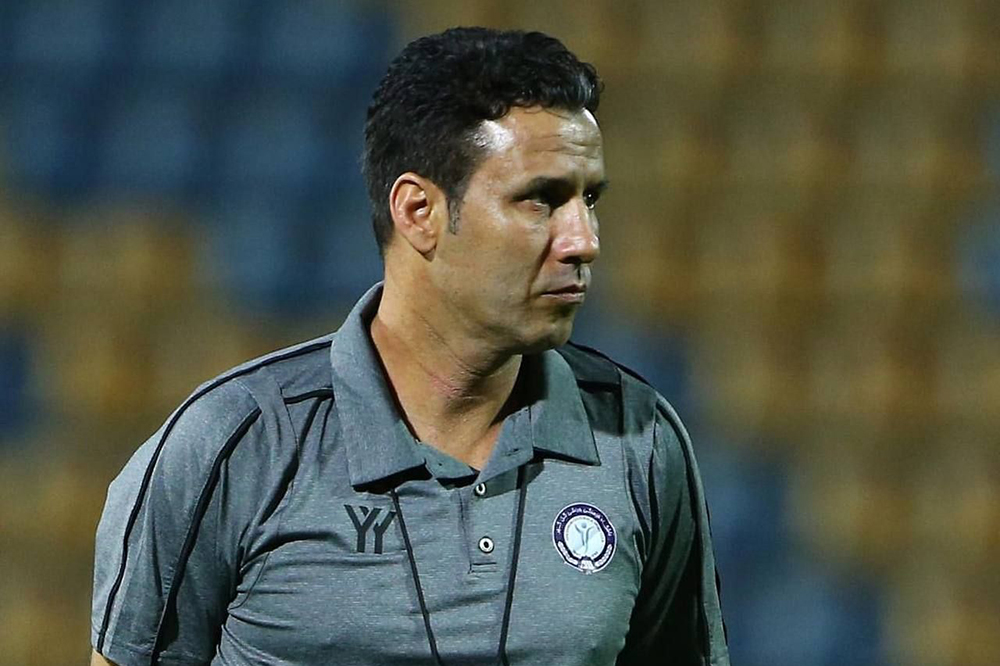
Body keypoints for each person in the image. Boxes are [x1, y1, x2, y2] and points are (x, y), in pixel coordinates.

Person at [91, 27, 729, 666]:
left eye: (589, 198)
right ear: (419, 211)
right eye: (542, 199)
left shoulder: (639, 439)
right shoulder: (233, 446)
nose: (583, 240)